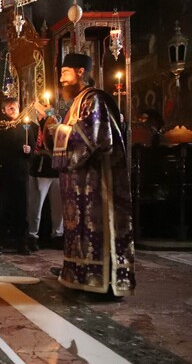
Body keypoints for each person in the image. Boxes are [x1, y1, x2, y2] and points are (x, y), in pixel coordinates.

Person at [51, 53, 135, 297]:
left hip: (98, 183)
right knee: (80, 232)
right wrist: (54, 129)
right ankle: (81, 275)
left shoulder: (94, 99)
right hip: (81, 183)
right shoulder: (78, 102)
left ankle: (103, 281)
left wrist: (57, 129)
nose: (61, 79)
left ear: (80, 72)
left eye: (65, 73)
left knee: (96, 229)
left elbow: (93, 136)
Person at [0, 98, 34, 255]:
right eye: (10, 108)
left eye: (15, 107)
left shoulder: (26, 127)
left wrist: (29, 151)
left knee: (22, 211)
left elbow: (32, 150)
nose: (13, 110)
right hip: (3, 175)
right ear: (4, 110)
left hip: (20, 174)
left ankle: (23, 244)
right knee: (1, 211)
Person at [27, 112, 63, 251]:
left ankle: (58, 235)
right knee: (36, 206)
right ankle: (32, 235)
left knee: (58, 207)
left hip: (57, 169)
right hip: (40, 170)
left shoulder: (56, 121)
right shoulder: (30, 125)